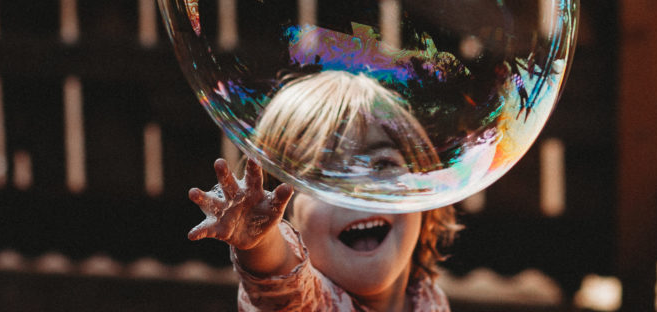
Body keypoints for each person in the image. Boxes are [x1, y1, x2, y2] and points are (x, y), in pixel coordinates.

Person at [188, 70, 460, 311]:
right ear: (283, 216)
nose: (358, 188)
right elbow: (278, 278)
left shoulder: (428, 298)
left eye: (382, 164)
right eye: (324, 175)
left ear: (424, 191)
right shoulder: (307, 304)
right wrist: (262, 241)